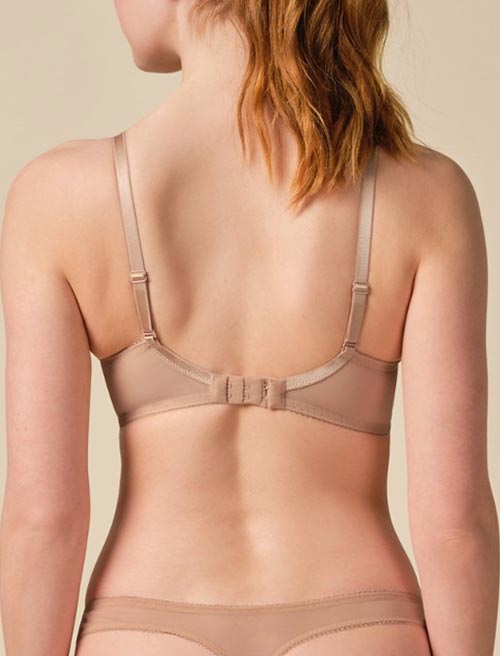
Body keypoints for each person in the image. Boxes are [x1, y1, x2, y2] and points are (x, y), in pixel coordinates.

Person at [0, 1, 498, 654]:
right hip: (361, 623)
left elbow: (43, 522)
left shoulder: (59, 196)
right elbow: (455, 525)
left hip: (143, 628)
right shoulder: (428, 194)